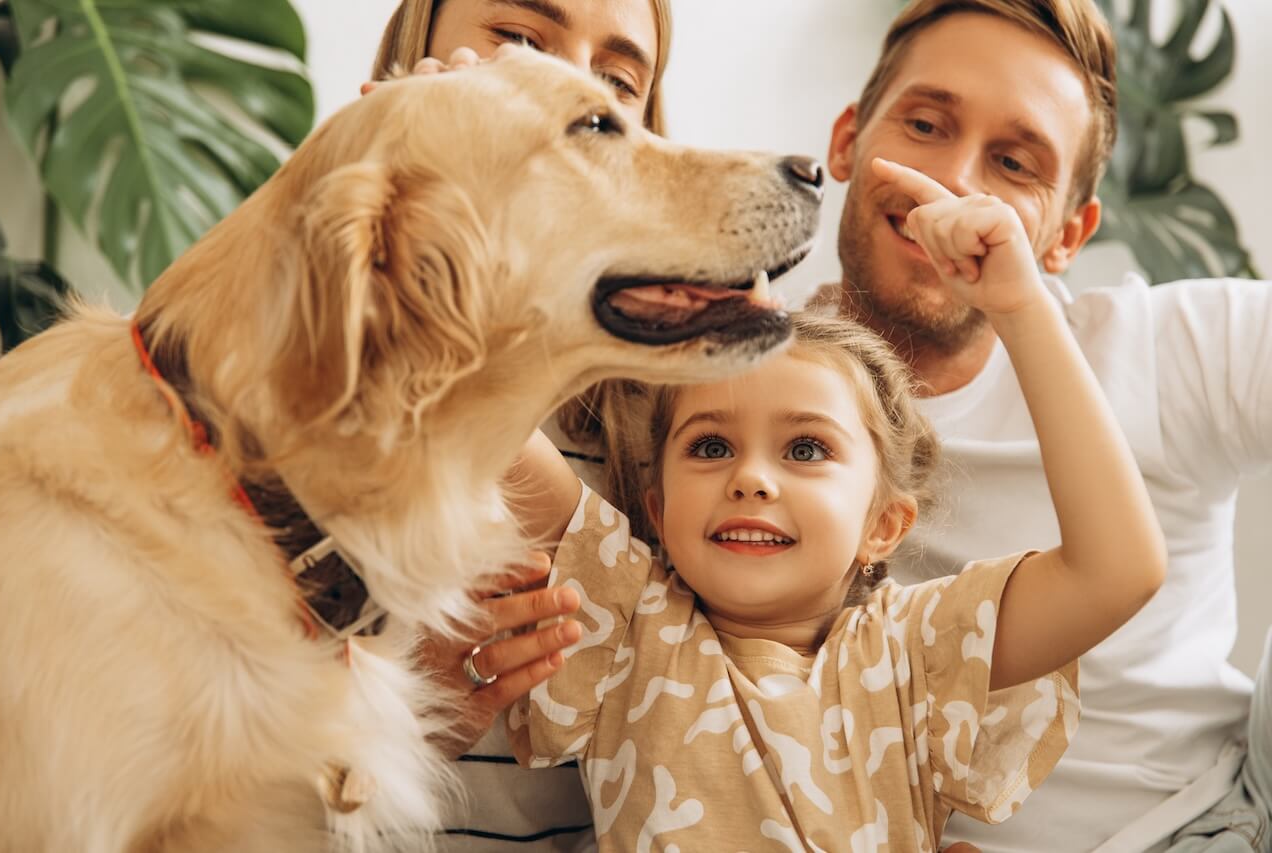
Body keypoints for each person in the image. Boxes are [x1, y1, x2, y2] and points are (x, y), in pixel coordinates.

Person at [502, 158, 1165, 850]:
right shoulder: (627, 620)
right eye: (709, 447)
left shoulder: (916, 653)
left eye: (807, 449)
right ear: (659, 513)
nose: (751, 479)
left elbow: (1119, 570)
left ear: (883, 525)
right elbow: (488, 422)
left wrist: (1021, 306)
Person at [803, 1, 1272, 850]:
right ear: (847, 142)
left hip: (1220, 811)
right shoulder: (746, 407)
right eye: (924, 123)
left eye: (1014, 163)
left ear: (1066, 236)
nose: (956, 180)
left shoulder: (1172, 349)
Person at [366, 2, 671, 848]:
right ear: (415, 54)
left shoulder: (670, 408)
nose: (571, 90)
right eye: (523, 41)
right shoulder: (272, 357)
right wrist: (394, 728)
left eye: (618, 79)